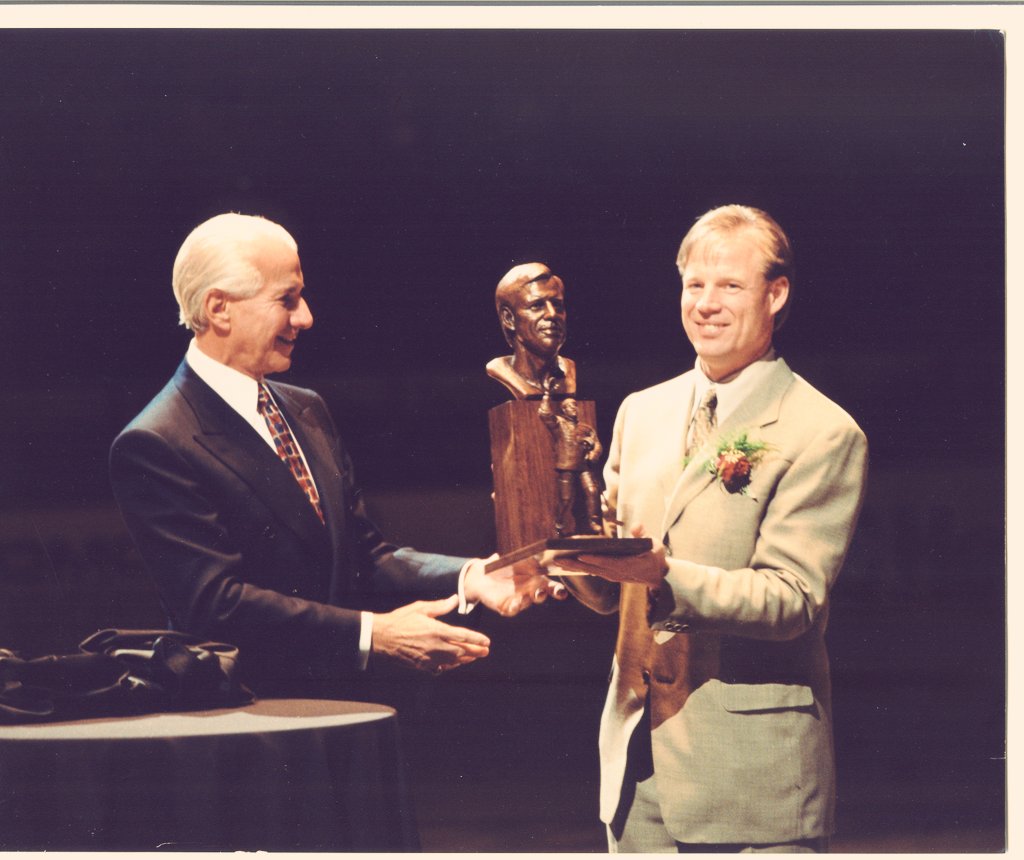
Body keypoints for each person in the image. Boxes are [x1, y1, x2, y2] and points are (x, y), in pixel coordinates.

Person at [109, 212, 564, 697]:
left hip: (345, 712)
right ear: (219, 308)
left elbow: (363, 555)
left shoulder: (304, 408)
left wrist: (473, 576)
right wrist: (374, 634)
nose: (306, 317)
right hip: (250, 726)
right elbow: (217, 606)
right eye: (287, 299)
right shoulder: (155, 443)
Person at [554, 205, 869, 852]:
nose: (706, 303)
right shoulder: (641, 412)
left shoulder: (823, 431)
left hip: (752, 782)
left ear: (776, 294)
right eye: (694, 285)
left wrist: (665, 576)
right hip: (636, 769)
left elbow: (793, 598)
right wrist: (567, 565)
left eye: (729, 285)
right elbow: (614, 586)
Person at [486, 262, 576, 399]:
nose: (552, 314)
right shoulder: (496, 379)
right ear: (509, 318)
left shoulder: (572, 376)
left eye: (557, 305)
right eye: (537, 305)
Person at [537, 391, 603, 536]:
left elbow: (597, 444)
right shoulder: (559, 423)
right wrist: (546, 396)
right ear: (564, 410)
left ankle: (593, 521)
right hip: (566, 466)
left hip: (584, 466)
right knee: (566, 499)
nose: (573, 408)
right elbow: (544, 414)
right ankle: (559, 523)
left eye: (575, 406)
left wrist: (593, 454)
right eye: (569, 406)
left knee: (592, 491)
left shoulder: (585, 428)